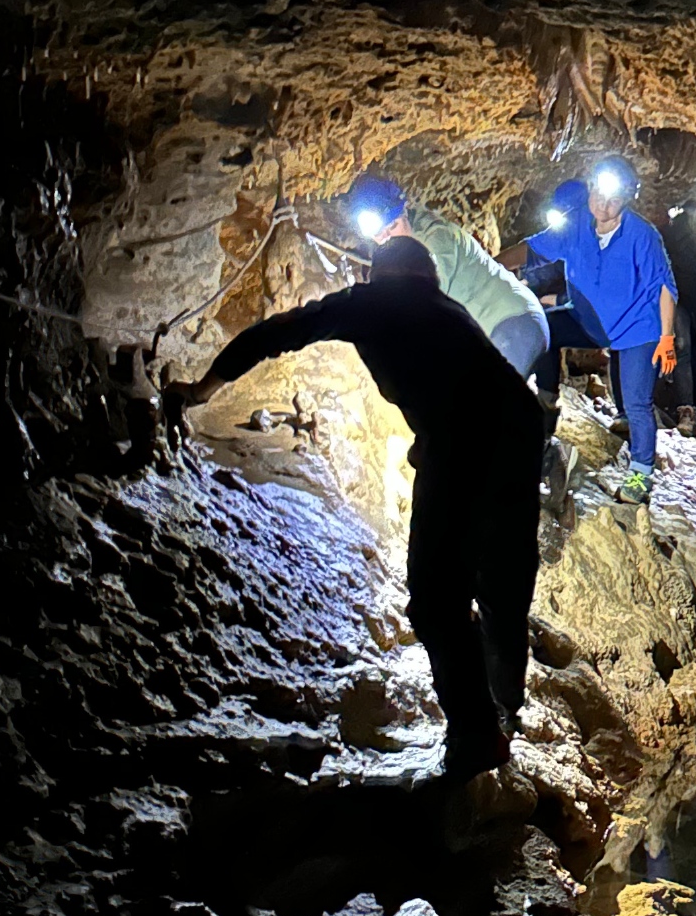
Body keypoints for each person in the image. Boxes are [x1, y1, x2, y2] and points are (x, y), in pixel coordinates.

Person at [168, 235, 544, 779]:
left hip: (466, 439)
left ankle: (478, 735)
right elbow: (465, 383)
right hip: (518, 428)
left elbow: (277, 334)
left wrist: (203, 390)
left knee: (437, 596)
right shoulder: (447, 308)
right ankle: (504, 714)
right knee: (502, 580)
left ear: (378, 273)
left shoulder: (373, 301)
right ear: (428, 276)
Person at [527, 160, 679, 503]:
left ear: (627, 197)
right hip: (592, 321)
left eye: (613, 198)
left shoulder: (642, 235)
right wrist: (487, 263)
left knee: (638, 404)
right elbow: (534, 250)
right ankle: (545, 404)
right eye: (598, 194)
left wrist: (667, 337)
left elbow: (664, 288)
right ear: (591, 188)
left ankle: (640, 475)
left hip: (637, 328)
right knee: (544, 325)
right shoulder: (578, 223)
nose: (603, 204)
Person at [344, 171, 550, 385]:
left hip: (513, 322)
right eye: (379, 234)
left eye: (393, 226)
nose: (387, 237)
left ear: (404, 211)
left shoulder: (435, 239)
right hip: (497, 332)